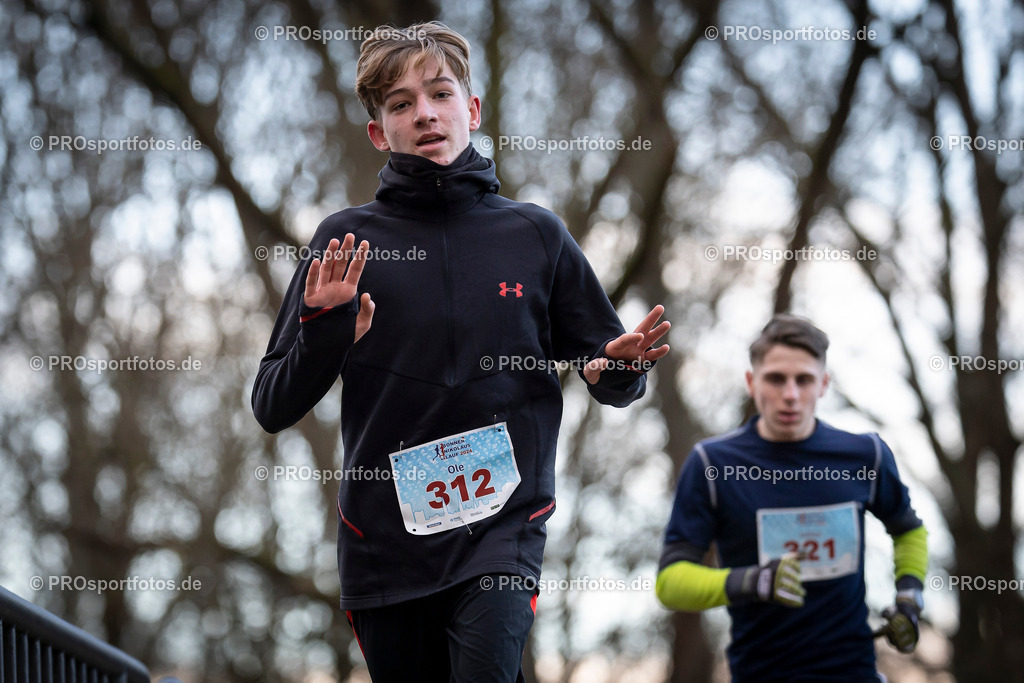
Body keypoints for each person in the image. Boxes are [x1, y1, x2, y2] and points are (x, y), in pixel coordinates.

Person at [252, 21, 670, 683]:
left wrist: (615, 369)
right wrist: (326, 335)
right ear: (377, 130)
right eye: (399, 104)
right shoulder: (345, 243)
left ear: (470, 110)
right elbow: (271, 404)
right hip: (382, 542)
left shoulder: (535, 234)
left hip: (501, 527)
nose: (424, 113)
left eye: (440, 94)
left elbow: (610, 370)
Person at [656, 315, 928, 682]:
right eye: (775, 378)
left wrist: (909, 597)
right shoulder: (712, 464)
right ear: (752, 382)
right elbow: (671, 582)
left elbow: (908, 529)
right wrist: (753, 581)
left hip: (854, 672)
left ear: (824, 384)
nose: (790, 394)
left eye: (804, 380)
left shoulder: (865, 455)